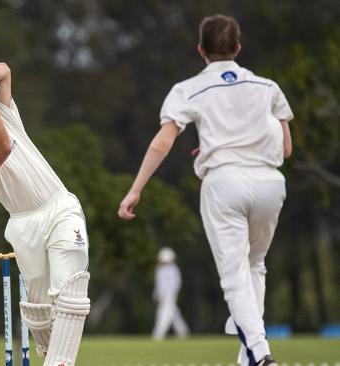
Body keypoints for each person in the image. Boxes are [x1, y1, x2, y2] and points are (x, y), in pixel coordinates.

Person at [118, 14, 292, 366]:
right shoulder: (268, 87)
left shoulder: (188, 89)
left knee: (233, 277)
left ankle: (259, 354)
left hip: (224, 183)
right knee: (255, 266)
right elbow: (286, 149)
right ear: (238, 48)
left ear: (201, 50)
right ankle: (248, 356)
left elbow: (162, 143)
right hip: (270, 182)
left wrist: (135, 189)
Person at [0, 63, 90, 366]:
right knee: (38, 309)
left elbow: (6, 71)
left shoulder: (5, 113)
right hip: (24, 226)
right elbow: (2, 150)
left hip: (60, 208)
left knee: (69, 290)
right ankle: (51, 355)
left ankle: (60, 363)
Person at [152, 247, 189, 340]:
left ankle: (158, 335)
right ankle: (183, 331)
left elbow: (176, 283)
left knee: (164, 314)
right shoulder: (159, 269)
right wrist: (157, 294)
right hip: (162, 296)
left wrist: (168, 294)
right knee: (173, 313)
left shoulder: (173, 269)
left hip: (169, 296)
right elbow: (158, 284)